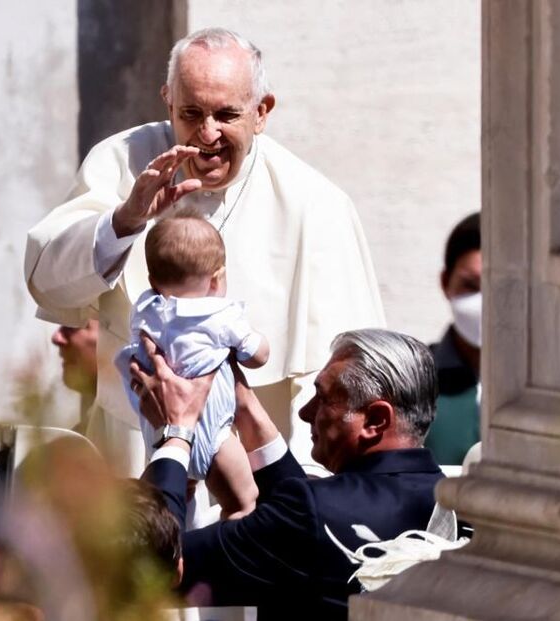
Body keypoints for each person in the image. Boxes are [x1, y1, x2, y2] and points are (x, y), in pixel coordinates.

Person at [25, 27, 385, 477]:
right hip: (135, 452)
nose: (207, 133)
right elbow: (48, 283)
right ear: (168, 102)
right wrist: (125, 220)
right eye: (191, 112)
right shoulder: (122, 162)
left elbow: (347, 369)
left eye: (226, 114)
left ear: (262, 111)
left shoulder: (316, 204)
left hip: (257, 462)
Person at [133, 328, 444, 620]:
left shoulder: (310, 515)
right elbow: (315, 522)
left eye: (323, 398)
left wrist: (174, 434)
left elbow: (151, 567)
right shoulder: (462, 506)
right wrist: (244, 406)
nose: (305, 411)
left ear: (375, 419)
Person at [116, 210, 266, 518]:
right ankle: (222, 557)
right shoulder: (220, 316)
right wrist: (256, 342)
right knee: (245, 501)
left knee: (168, 505)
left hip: (162, 433)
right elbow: (257, 357)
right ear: (216, 280)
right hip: (213, 432)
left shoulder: (145, 310)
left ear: (152, 281)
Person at [424, 212, 482, 465]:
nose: (484, 300)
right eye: (471, 285)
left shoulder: (558, 386)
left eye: (501, 285)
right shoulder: (415, 383)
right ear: (446, 282)